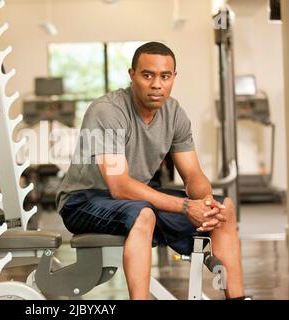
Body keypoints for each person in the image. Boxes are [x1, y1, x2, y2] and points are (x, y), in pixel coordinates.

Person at [55, 42, 248, 300]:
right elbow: (119, 186)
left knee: (224, 209)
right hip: (83, 200)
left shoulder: (174, 113)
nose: (157, 84)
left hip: (135, 200)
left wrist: (206, 203)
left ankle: (237, 298)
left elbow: (192, 174)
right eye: (148, 75)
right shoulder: (107, 111)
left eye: (164, 76)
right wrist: (185, 207)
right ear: (132, 75)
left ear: (173, 78)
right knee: (143, 213)